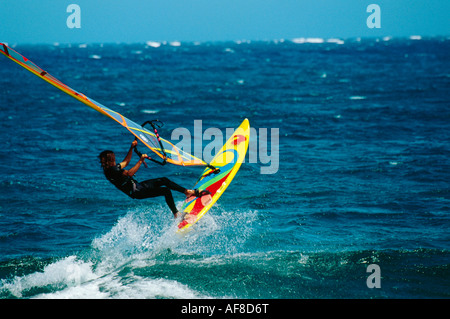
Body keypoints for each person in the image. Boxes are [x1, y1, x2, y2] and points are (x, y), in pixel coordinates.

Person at [99, 140, 197, 218]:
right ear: (111, 159)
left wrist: (131, 148)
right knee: (165, 191)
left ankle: (186, 192)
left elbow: (126, 162)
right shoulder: (113, 170)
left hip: (138, 186)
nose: (115, 159)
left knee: (164, 180)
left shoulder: (109, 169)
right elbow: (130, 173)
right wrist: (141, 160)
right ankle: (176, 214)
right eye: (114, 158)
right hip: (137, 191)